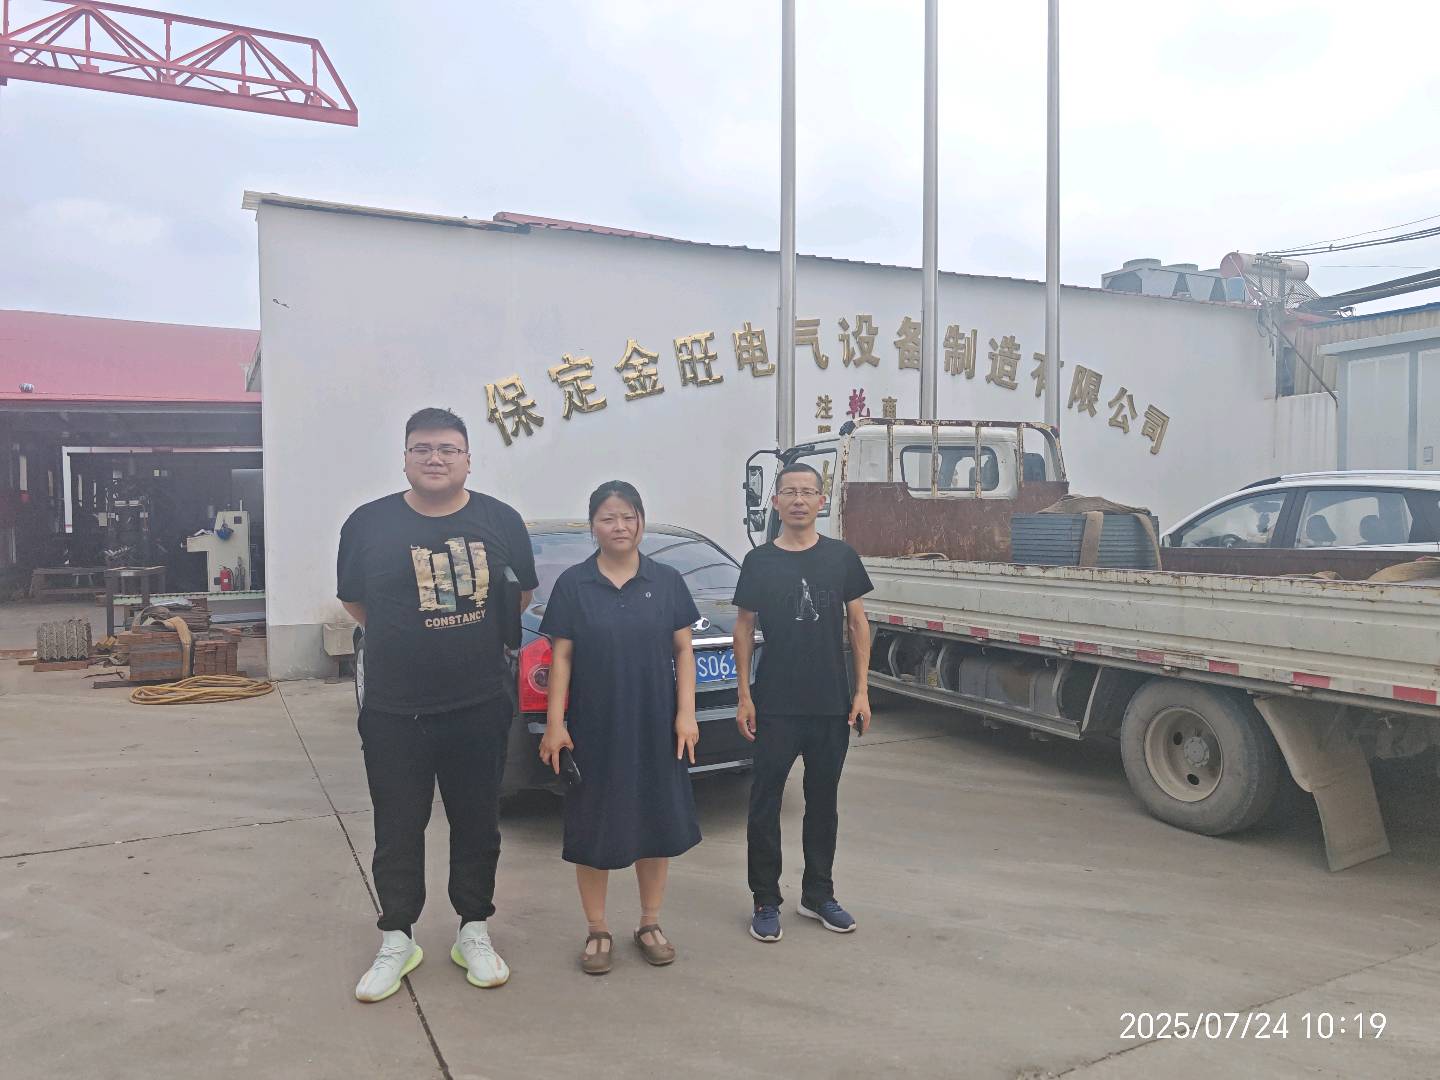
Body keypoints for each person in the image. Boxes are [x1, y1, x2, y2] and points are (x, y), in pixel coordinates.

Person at [338, 407, 537, 1003]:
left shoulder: (501, 520)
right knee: (398, 827)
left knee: (477, 824)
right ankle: (397, 938)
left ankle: (473, 930)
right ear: (405, 458)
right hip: (394, 710)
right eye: (422, 448)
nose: (435, 458)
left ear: (468, 459)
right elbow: (357, 604)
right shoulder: (368, 524)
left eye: (448, 449)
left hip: (478, 704)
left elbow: (520, 595)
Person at [537, 481, 702, 975]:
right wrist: (555, 724)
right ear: (593, 526)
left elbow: (683, 651)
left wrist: (686, 714)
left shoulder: (666, 580)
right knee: (594, 825)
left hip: (656, 723)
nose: (620, 526)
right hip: (594, 726)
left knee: (657, 822)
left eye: (629, 517)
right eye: (608, 518)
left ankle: (650, 923)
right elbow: (561, 658)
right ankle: (597, 929)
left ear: (641, 522)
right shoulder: (573, 584)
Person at [732, 462, 873, 943]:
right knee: (764, 803)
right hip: (775, 703)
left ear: (821, 501)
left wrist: (861, 691)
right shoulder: (759, 561)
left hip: (830, 703)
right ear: (775, 502)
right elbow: (744, 628)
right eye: (789, 492)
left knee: (823, 803)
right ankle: (765, 899)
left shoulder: (841, 557)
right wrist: (744, 695)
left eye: (807, 492)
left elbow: (857, 623)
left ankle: (818, 894)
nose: (798, 500)